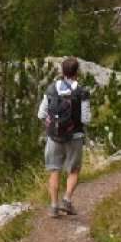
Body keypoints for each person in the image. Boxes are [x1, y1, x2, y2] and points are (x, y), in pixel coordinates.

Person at [38, 57, 91, 218]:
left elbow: (41, 114)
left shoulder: (51, 89)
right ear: (77, 72)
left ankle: (54, 207)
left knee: (54, 170)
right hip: (74, 136)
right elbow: (86, 119)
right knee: (73, 170)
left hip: (54, 136)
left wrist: (52, 124)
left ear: (62, 71)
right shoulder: (81, 91)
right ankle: (67, 200)